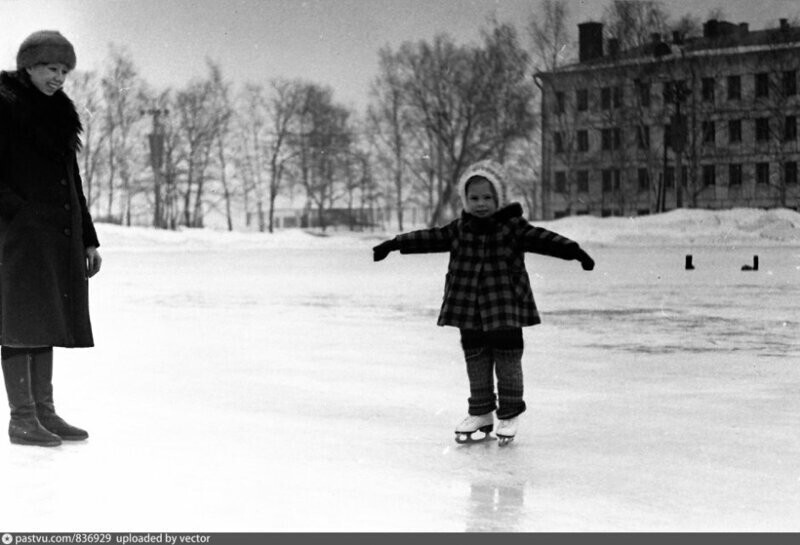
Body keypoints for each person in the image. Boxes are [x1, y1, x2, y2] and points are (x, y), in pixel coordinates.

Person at [372, 160, 594, 445]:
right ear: (465, 200)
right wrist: (394, 244)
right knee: (476, 360)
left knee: (507, 360)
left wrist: (575, 252)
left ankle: (510, 413)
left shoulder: (512, 227)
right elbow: (430, 237)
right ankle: (481, 412)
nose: (480, 204)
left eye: (487, 197)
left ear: (499, 198)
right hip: (469, 309)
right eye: (474, 198)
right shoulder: (460, 228)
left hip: (505, 307)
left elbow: (544, 239)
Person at [0, 30, 102, 447]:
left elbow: (71, 180)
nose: (58, 77)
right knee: (18, 321)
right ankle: (21, 417)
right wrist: (17, 215)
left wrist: (87, 239)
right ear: (28, 66)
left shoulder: (59, 112)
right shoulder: (5, 106)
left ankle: (43, 411)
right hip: (18, 236)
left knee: (43, 318)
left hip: (54, 235)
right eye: (50, 68)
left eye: (63, 70)